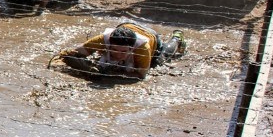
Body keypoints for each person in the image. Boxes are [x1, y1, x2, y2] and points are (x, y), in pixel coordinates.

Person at [58, 23, 187, 79]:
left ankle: (177, 39)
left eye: (123, 51)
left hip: (151, 37)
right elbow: (73, 53)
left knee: (161, 59)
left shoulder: (142, 49)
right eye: (114, 49)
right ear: (109, 44)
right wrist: (75, 61)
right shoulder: (102, 40)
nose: (118, 54)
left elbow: (141, 75)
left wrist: (109, 74)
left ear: (131, 49)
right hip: (126, 26)